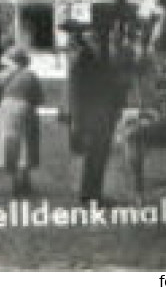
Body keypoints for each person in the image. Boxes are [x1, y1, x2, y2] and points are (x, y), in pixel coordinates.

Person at [68, 28, 127, 205]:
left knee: (98, 156)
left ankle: (92, 193)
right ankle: (91, 195)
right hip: (94, 115)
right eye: (98, 41)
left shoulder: (94, 59)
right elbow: (80, 92)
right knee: (96, 156)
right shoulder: (86, 60)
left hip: (99, 114)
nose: (102, 45)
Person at [0, 46, 43, 196]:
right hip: (24, 108)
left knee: (10, 144)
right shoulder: (30, 75)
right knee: (26, 144)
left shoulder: (3, 76)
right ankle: (24, 182)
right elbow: (39, 98)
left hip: (5, 109)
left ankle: (15, 181)